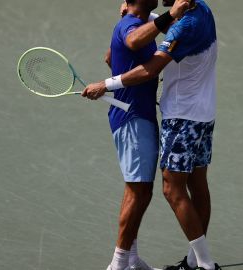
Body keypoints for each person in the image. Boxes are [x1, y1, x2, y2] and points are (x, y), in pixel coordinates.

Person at [83, 0, 220, 269]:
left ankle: (204, 264)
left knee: (170, 189)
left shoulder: (184, 26)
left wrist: (106, 84)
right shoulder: (201, 9)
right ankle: (134, 261)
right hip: (204, 115)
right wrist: (145, 15)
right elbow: (134, 39)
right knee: (192, 184)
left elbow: (151, 69)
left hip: (181, 117)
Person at [99, 0, 162, 269]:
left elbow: (110, 58)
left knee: (140, 190)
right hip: (132, 116)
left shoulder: (135, 21)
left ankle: (131, 259)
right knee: (138, 191)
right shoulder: (130, 25)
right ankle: (118, 263)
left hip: (138, 114)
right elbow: (134, 42)